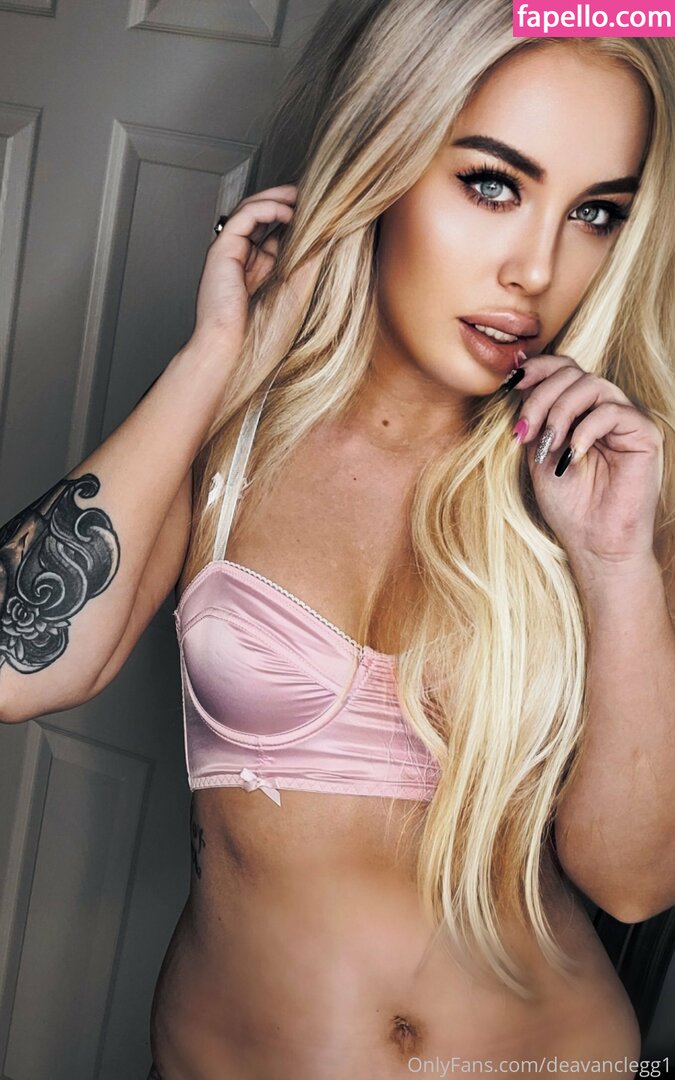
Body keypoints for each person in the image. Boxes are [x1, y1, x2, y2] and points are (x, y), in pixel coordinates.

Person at [1, 0, 674, 1076]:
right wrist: (216, 358)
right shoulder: (233, 436)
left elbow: (634, 883)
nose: (537, 270)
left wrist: (612, 564)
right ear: (384, 162)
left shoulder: (608, 481)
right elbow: (16, 665)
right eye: (492, 184)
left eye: (595, 212)